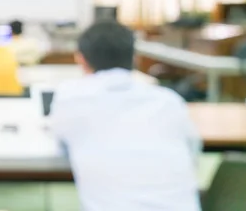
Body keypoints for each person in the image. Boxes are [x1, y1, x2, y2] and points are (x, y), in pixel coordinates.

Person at [50, 21, 201, 211]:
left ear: (80, 60)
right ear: (135, 58)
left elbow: (60, 142)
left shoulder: (69, 98)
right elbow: (193, 152)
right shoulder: (169, 101)